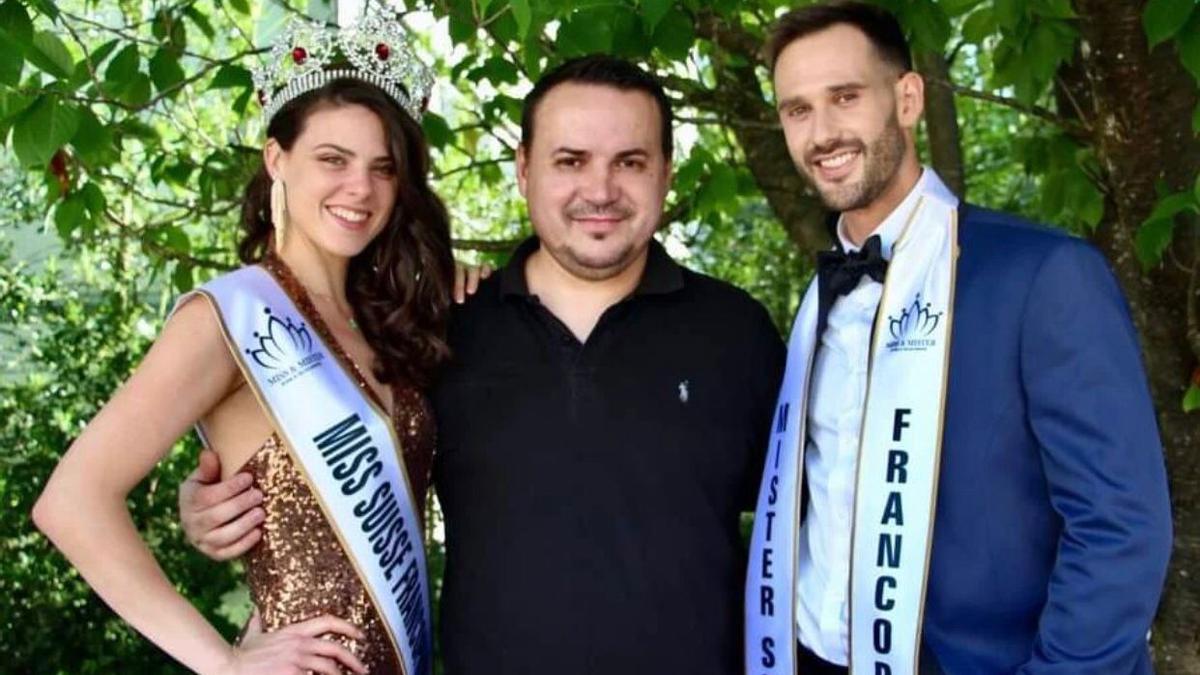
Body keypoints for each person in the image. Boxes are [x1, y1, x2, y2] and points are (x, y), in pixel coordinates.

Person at [181, 55, 787, 674]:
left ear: (666, 173)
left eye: (630, 162)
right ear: (524, 170)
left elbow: (804, 527)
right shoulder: (438, 331)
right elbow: (342, 473)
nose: (600, 191)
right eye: (570, 161)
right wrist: (221, 504)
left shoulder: (737, 334)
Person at [744, 3, 1173, 674]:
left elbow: (1120, 529)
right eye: (797, 109)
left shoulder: (1044, 276)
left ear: (907, 98)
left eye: (845, 97)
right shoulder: (819, 299)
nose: (822, 132)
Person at [33, 10, 454, 675]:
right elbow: (72, 501)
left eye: (383, 167)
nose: (361, 189)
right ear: (276, 157)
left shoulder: (389, 317)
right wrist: (221, 661)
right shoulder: (228, 318)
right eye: (332, 159)